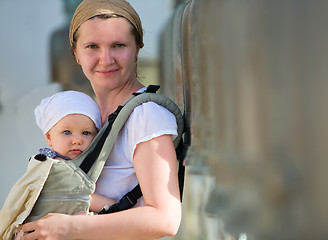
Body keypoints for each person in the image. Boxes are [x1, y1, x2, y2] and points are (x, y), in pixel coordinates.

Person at [21, 0, 182, 239]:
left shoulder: (146, 116)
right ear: (76, 53)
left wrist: (66, 228)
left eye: (118, 45)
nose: (105, 59)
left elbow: (165, 218)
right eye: (92, 46)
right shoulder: (92, 118)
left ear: (138, 48)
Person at [34, 90, 116, 213]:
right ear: (49, 138)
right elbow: (78, 197)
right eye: (67, 132)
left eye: (86, 133)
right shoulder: (52, 164)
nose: (77, 141)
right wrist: (118, 207)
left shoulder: (94, 160)